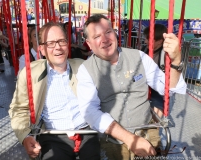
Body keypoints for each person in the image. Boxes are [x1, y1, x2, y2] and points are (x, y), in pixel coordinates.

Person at [76, 14, 186, 159]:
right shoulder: (86, 70)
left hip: (147, 133)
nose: (105, 39)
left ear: (115, 33)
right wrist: (129, 139)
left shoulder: (139, 57)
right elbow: (90, 112)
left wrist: (176, 60)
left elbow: (168, 88)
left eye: (108, 32)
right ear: (89, 44)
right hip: (111, 141)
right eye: (97, 36)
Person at [9, 22, 100, 159]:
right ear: (42, 49)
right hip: (52, 135)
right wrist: (25, 137)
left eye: (61, 41)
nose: (58, 47)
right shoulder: (29, 74)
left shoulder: (83, 67)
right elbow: (19, 109)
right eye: (51, 43)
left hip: (86, 130)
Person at [142, 24, 168, 118]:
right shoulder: (144, 50)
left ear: (160, 41)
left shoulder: (166, 56)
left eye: (148, 39)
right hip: (142, 86)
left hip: (156, 89)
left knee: (156, 115)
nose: (145, 41)